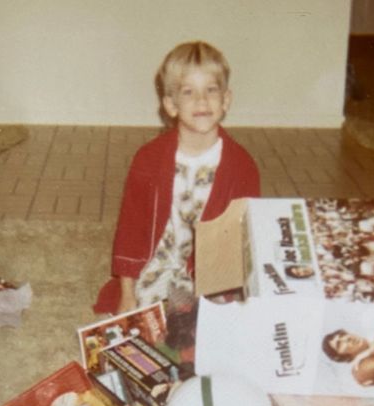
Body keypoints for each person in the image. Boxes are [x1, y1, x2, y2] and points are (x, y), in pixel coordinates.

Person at [94, 41, 260, 315]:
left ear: (226, 100)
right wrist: (127, 293)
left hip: (213, 272)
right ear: (171, 105)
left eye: (211, 90)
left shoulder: (243, 166)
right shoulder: (147, 159)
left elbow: (244, 240)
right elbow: (131, 229)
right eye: (188, 92)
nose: (202, 101)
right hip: (162, 261)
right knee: (147, 322)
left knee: (225, 324)